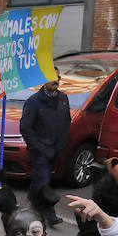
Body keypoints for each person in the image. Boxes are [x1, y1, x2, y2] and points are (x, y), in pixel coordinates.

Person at [20, 67, 70, 225]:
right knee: (44, 179)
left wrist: (62, 142)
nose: (56, 81)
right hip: (40, 150)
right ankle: (50, 213)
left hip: (56, 148)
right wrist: (37, 147)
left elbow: (66, 120)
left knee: (42, 177)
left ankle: (32, 198)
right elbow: (25, 127)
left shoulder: (63, 98)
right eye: (52, 77)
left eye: (58, 78)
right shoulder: (34, 102)